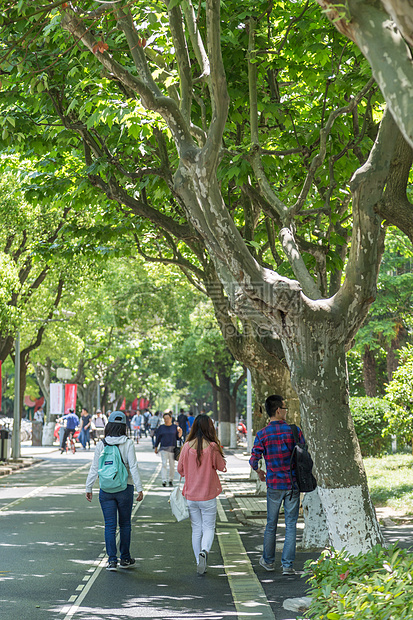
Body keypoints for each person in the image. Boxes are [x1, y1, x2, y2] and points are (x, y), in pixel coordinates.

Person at [249, 394, 304, 576]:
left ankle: (268, 561)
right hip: (292, 484)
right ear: (278, 410)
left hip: (273, 484)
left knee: (271, 525)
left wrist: (259, 471)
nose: (286, 411)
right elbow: (303, 452)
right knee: (290, 525)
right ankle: (288, 566)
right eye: (285, 408)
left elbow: (254, 459)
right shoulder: (294, 432)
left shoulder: (262, 434)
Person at [85, 411, 144, 571]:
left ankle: (112, 561)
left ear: (109, 425)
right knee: (125, 524)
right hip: (125, 488)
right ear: (124, 426)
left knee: (110, 525)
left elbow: (95, 468)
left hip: (106, 489)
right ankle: (125, 558)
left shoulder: (101, 444)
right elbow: (133, 467)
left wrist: (88, 487)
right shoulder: (128, 443)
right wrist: (139, 488)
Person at [177, 414, 226, 575]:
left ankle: (199, 562)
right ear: (209, 428)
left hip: (191, 496)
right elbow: (221, 466)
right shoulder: (212, 447)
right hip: (208, 496)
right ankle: (204, 551)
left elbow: (180, 470)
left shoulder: (186, 447)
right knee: (209, 527)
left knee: (196, 529)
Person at [154, 412, 182, 487]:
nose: (166, 420)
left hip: (173, 449)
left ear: (171, 418)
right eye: (165, 418)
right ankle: (164, 480)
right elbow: (158, 438)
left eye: (167, 418)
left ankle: (170, 480)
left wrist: (180, 433)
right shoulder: (161, 427)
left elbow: (178, 438)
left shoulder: (174, 427)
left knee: (172, 465)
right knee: (164, 464)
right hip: (163, 448)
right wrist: (156, 447)